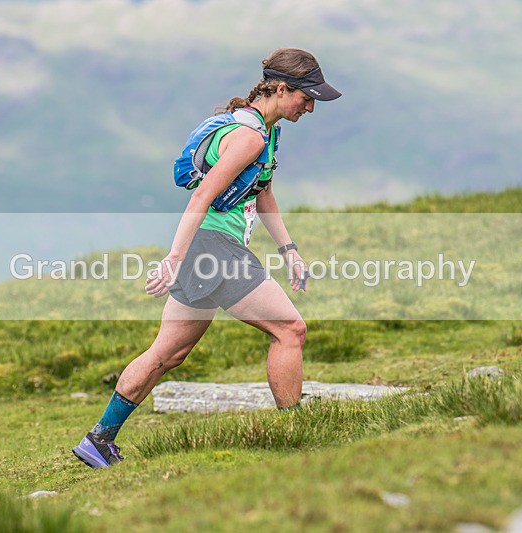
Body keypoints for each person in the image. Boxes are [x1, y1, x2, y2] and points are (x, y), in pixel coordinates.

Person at [72, 48, 341, 469]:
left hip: (210, 248)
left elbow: (262, 190)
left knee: (167, 354)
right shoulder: (249, 136)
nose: (310, 106)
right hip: (214, 249)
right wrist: (174, 257)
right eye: (306, 97)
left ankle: (99, 439)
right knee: (290, 329)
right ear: (281, 88)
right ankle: (296, 434)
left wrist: (289, 250)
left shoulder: (266, 132)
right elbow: (202, 195)